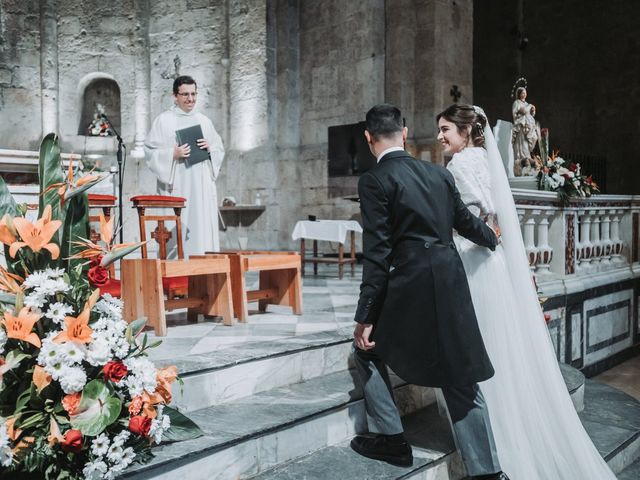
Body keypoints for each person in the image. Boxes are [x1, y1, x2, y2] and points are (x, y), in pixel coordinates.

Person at [438, 103, 616, 479]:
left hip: (471, 261)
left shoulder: (458, 166)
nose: (440, 137)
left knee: (478, 347)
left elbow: (466, 217)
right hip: (495, 263)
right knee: (503, 346)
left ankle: (496, 436)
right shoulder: (487, 161)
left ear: (466, 131)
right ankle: (514, 424)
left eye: (446, 130)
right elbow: (495, 213)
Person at [351, 104, 509, 480]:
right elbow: (467, 223)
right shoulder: (438, 174)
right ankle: (487, 472)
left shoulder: (374, 180)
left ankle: (392, 440)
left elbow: (377, 254)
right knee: (460, 372)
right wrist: (494, 239)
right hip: (450, 281)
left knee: (365, 349)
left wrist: (365, 317)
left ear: (369, 138)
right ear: (404, 133)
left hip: (410, 287)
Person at [144, 75, 225, 256]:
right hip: (178, 185)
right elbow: (149, 151)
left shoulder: (204, 121)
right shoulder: (164, 120)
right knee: (178, 230)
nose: (190, 99)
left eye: (194, 94)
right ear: (175, 96)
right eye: (185, 94)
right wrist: (172, 154)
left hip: (202, 186)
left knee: (201, 228)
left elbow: (219, 148)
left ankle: (203, 269)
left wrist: (210, 149)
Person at [511, 87, 539, 176]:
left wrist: (533, 110)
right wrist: (528, 108)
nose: (524, 94)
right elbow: (516, 113)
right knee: (523, 145)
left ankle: (527, 160)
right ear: (519, 94)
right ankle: (523, 160)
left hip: (528, 126)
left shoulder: (526, 103)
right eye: (522, 93)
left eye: (525, 93)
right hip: (521, 126)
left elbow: (530, 114)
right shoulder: (517, 102)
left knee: (533, 138)